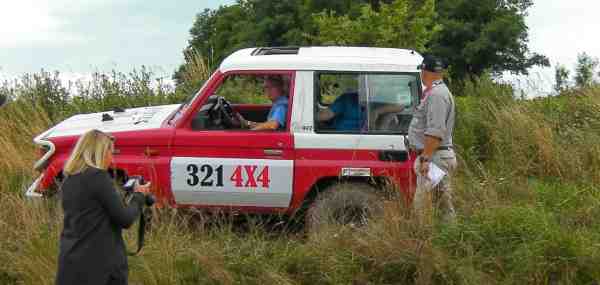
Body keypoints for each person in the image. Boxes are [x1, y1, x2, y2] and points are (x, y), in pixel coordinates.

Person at [56, 129, 151, 285]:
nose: (111, 159)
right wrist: (139, 197)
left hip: (70, 263)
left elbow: (92, 212)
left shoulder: (69, 179)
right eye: (110, 152)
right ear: (100, 152)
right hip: (99, 267)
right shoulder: (97, 177)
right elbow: (125, 219)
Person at [408, 55, 457, 222]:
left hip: (435, 157)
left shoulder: (436, 94)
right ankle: (449, 239)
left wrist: (425, 158)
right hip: (438, 156)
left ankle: (421, 241)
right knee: (443, 206)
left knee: (421, 206)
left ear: (424, 71)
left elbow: (435, 131)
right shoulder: (438, 91)